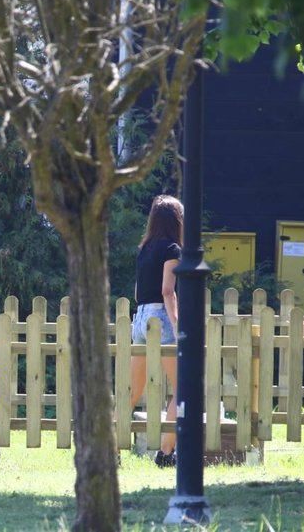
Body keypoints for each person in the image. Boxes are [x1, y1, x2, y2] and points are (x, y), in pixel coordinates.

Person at [130, 194, 183, 468]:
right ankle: (165, 453)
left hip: (140, 317)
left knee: (131, 391)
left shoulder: (145, 248)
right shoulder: (173, 249)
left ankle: (109, 449)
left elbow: (139, 291)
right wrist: (177, 326)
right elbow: (168, 290)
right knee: (182, 389)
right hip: (161, 317)